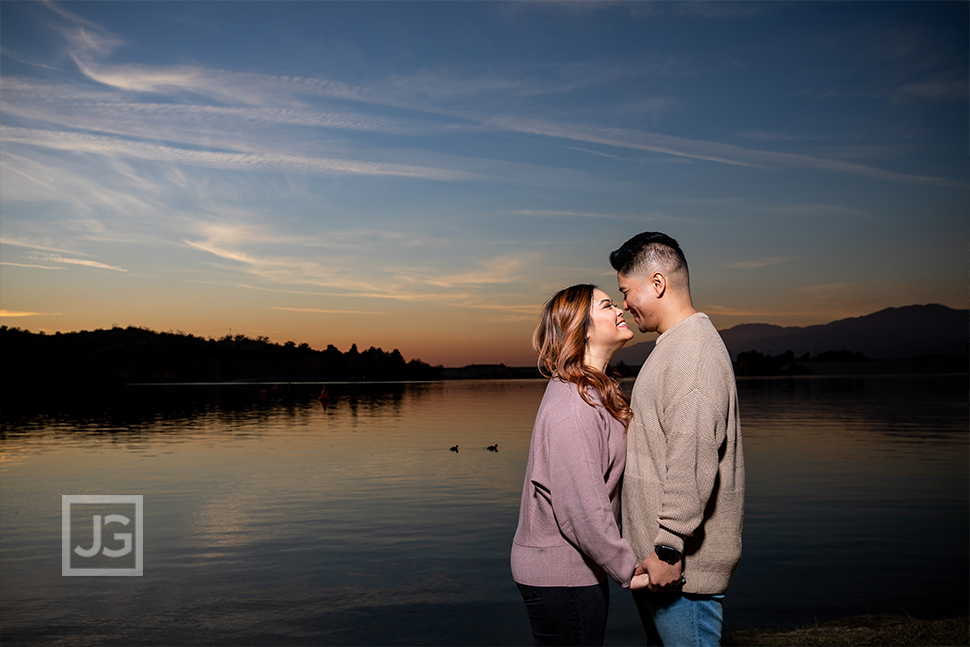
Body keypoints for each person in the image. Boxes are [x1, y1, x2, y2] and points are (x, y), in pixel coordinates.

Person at [609, 232, 744, 647]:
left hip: (681, 572)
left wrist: (668, 548)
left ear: (657, 283)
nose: (625, 305)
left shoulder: (695, 353)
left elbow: (692, 456)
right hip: (660, 566)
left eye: (627, 292)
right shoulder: (673, 346)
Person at [511, 284, 651, 646]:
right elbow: (581, 508)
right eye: (607, 305)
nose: (620, 309)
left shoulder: (589, 393)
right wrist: (627, 569)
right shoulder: (574, 407)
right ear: (583, 329)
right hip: (561, 575)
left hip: (572, 572)